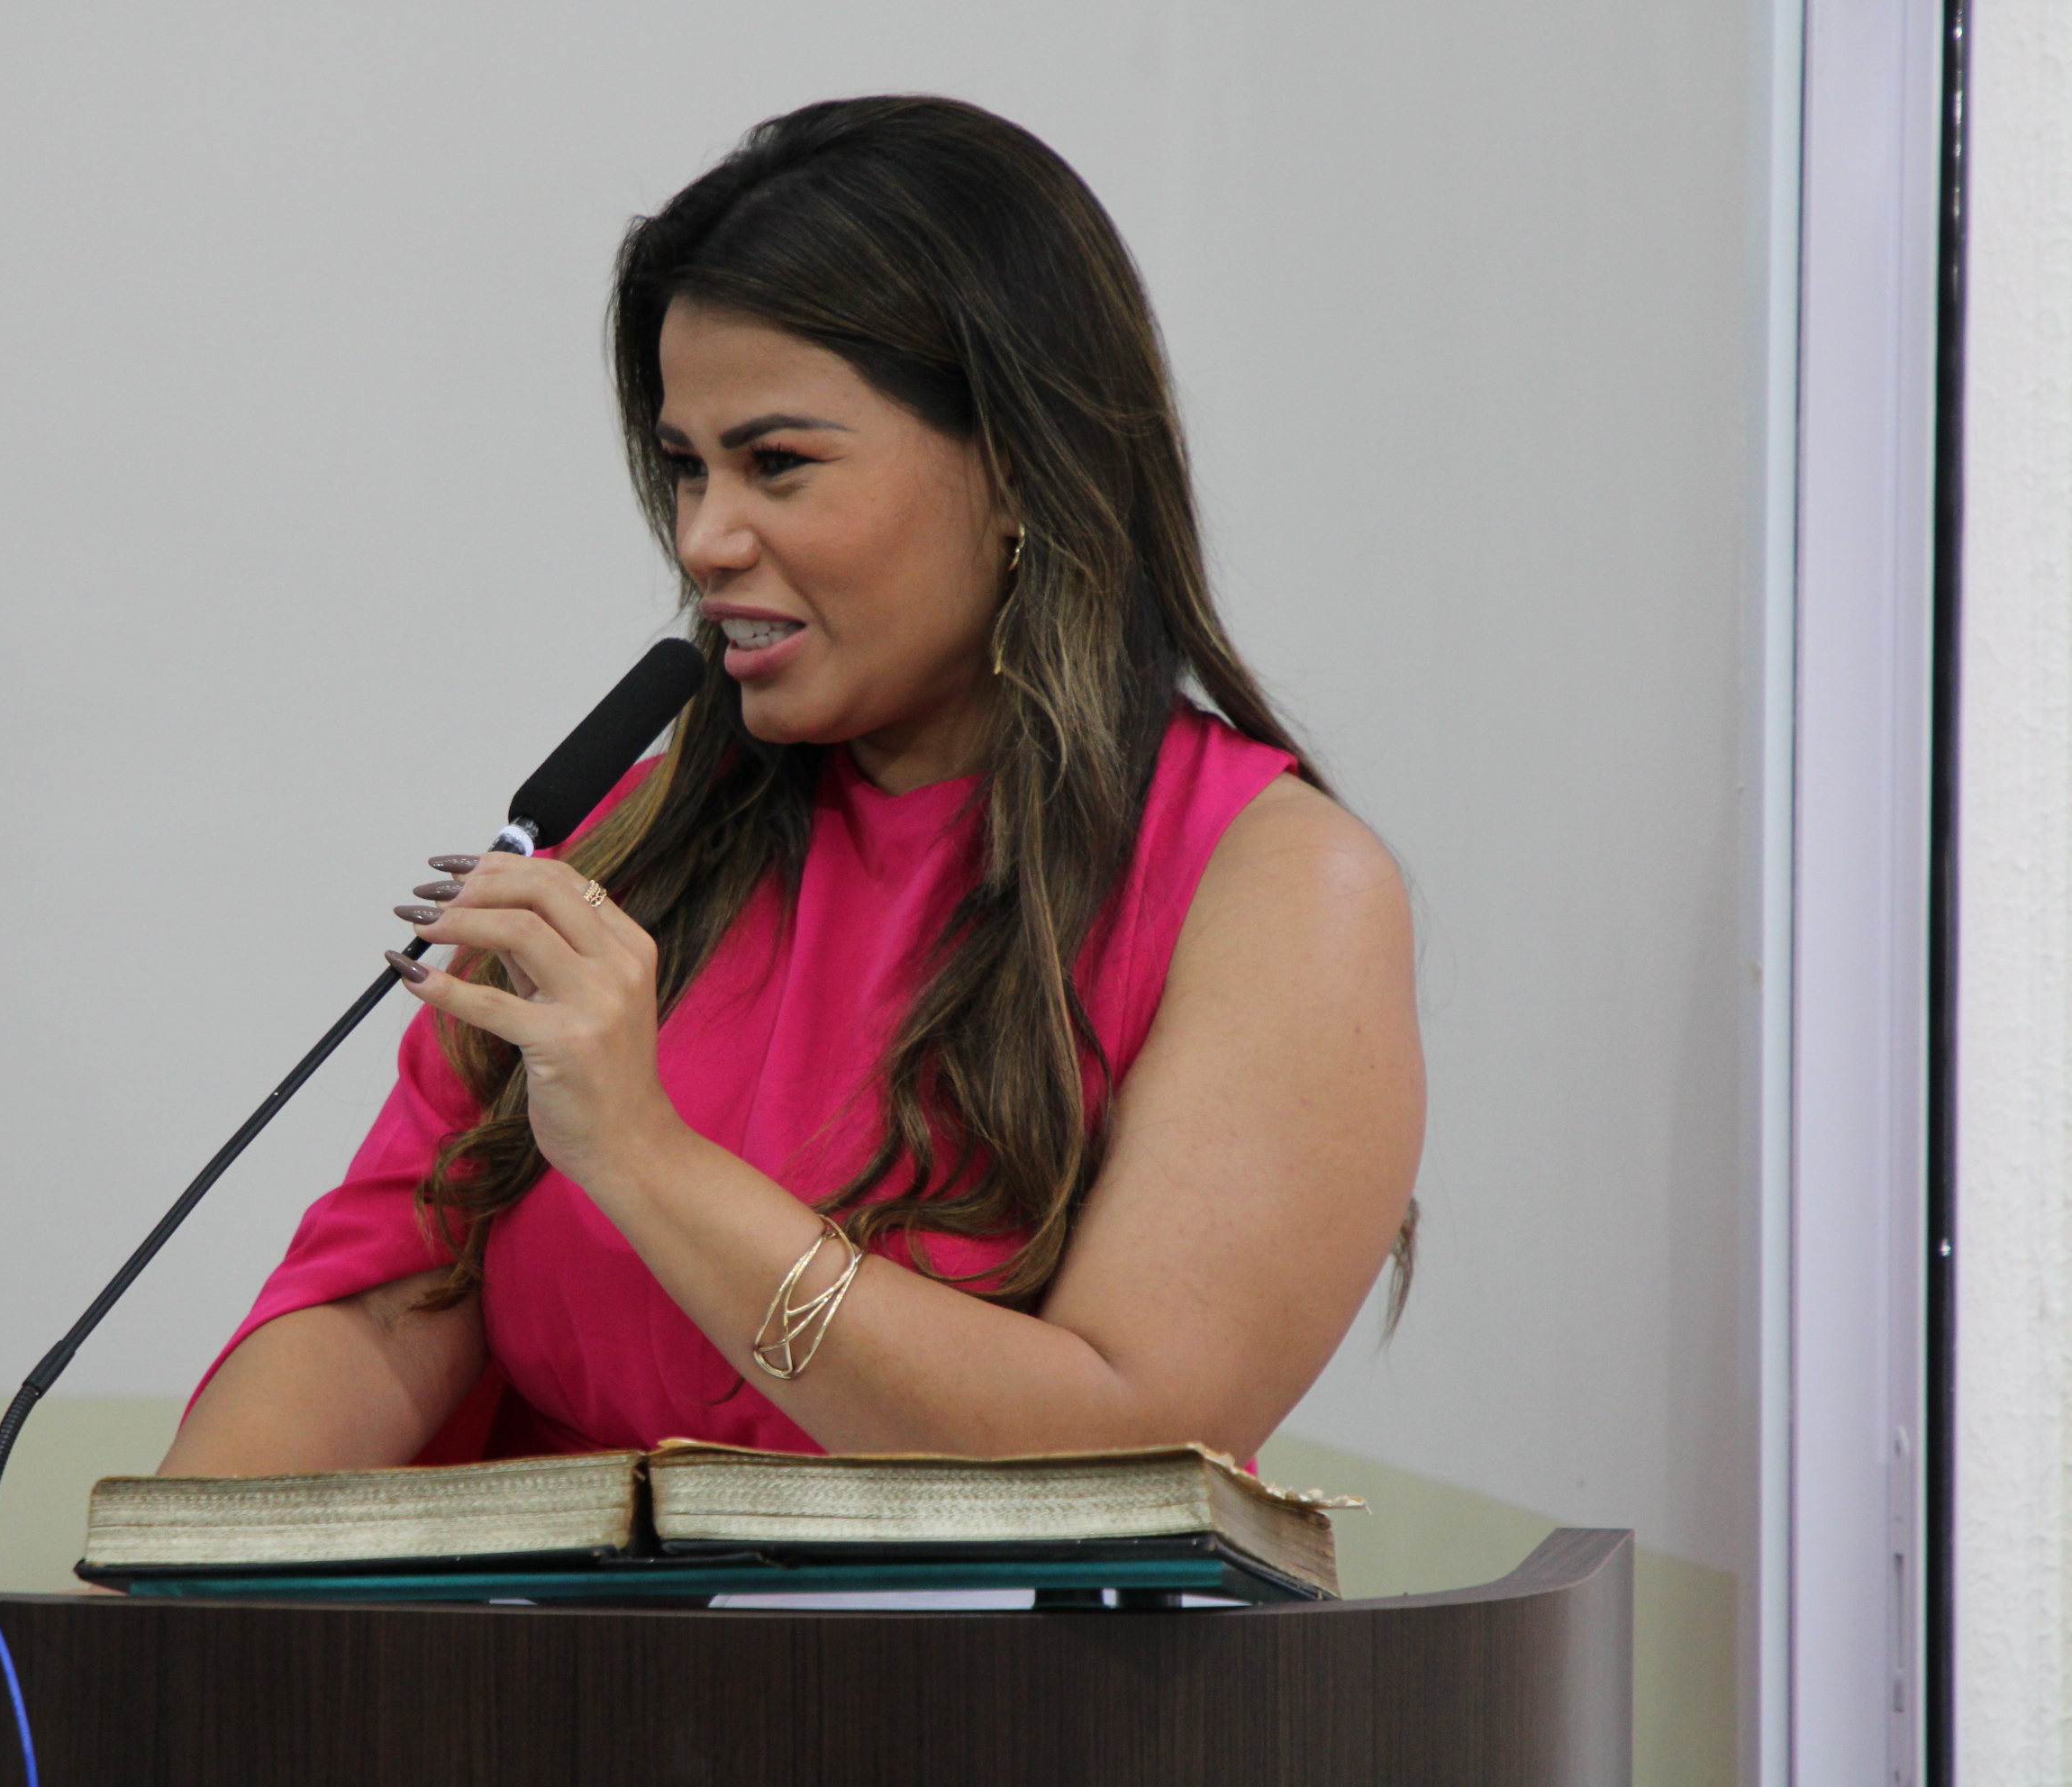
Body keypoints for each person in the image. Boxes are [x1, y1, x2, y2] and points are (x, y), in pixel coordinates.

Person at [162, 95, 1422, 1478]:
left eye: (778, 465)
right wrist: (155, 1583)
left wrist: (642, 1154)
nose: (705, 539)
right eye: (684, 468)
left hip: (980, 1630)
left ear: (1021, 465)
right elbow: (382, 1302)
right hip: (535, 1620)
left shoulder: (1279, 888)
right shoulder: (621, 843)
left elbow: (1123, 1454)